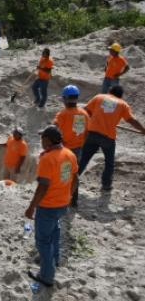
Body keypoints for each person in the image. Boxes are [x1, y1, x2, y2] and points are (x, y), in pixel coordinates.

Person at [25, 125, 78, 288]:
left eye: (42, 138)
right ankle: (54, 260)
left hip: (48, 206)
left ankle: (47, 276)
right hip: (62, 204)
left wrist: (31, 207)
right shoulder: (69, 154)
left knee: (42, 241)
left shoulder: (48, 159)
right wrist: (69, 196)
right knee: (55, 231)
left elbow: (42, 187)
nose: (41, 141)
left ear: (47, 140)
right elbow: (76, 179)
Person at [77, 86, 145, 192]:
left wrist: (92, 118)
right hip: (107, 138)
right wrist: (143, 130)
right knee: (109, 162)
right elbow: (131, 120)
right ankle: (106, 185)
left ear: (109, 92)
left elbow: (86, 112)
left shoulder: (99, 97)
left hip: (92, 134)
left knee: (84, 158)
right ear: (120, 96)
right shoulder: (122, 104)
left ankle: (72, 180)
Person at [53, 85, 89, 160]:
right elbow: (88, 132)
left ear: (65, 98)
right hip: (79, 149)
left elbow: (54, 129)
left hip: (64, 149)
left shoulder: (62, 114)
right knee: (74, 169)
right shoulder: (84, 114)